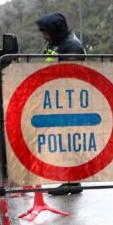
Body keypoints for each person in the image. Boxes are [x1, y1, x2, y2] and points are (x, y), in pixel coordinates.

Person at [35, 12, 86, 195]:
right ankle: (68, 179)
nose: (44, 36)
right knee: (61, 141)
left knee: (69, 141)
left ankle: (73, 181)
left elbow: (70, 75)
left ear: (55, 30)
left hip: (68, 101)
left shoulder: (72, 46)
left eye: (46, 32)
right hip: (54, 99)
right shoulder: (54, 44)